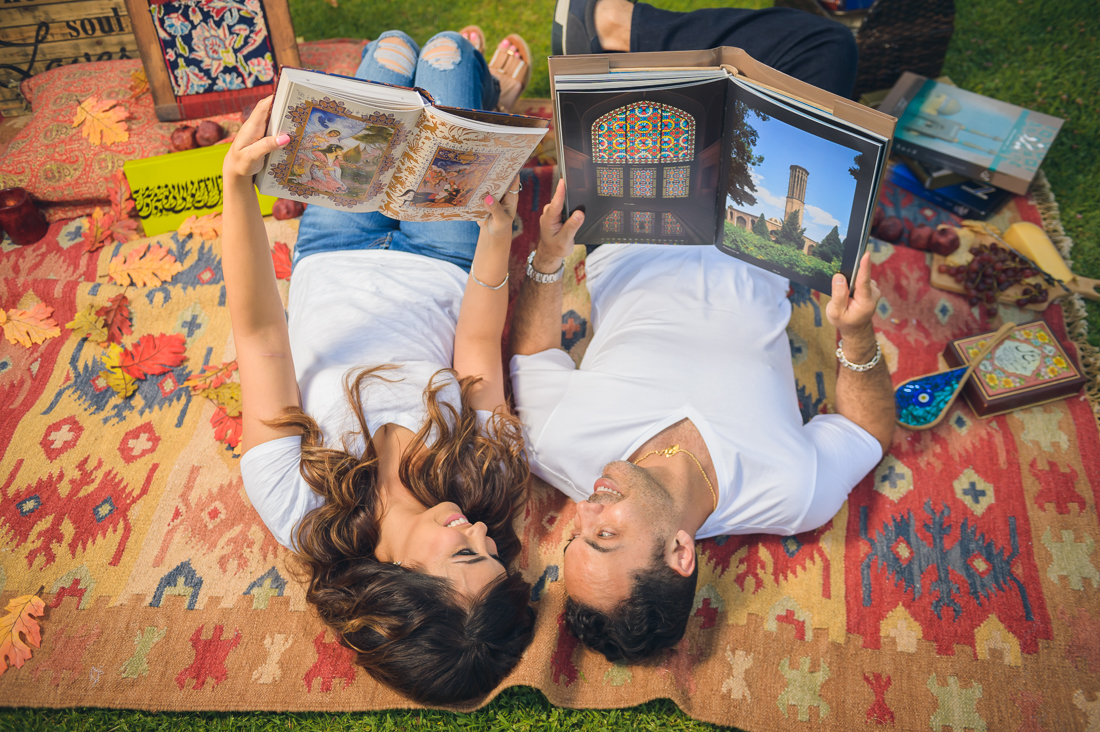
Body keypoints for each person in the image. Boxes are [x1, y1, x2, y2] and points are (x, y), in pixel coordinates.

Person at [510, 1, 892, 663]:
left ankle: (612, 31)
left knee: (671, 105)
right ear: (680, 552)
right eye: (604, 537)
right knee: (827, 51)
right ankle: (631, 41)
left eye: (575, 537)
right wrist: (856, 339)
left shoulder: (559, 448)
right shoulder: (791, 493)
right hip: (759, 232)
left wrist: (546, 260)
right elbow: (867, 434)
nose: (583, 514)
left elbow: (535, 351)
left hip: (631, 222)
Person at [223, 29, 536, 704]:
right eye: (494, 554)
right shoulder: (490, 479)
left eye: (466, 554)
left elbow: (259, 336)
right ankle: (484, 90)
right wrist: (498, 234)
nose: (483, 533)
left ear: (399, 582)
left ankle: (485, 93)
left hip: (335, 246)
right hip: (444, 255)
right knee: (447, 53)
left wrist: (237, 190)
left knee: (392, 51)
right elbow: (477, 349)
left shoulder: (298, 502)